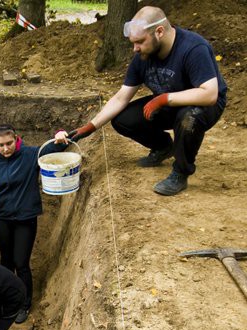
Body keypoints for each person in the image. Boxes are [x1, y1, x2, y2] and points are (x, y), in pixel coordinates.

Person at [56, 6, 227, 196]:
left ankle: (180, 172)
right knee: (123, 119)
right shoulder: (143, 56)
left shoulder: (193, 48)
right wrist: (87, 128)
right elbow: (121, 97)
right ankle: (163, 146)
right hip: (169, 103)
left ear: (159, 32)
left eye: (139, 42)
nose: (135, 48)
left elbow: (209, 94)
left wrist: (163, 98)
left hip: (204, 106)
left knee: (188, 117)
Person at [0, 124, 68, 324]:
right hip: (3, 217)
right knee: (6, 262)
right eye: (1, 145)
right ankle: (7, 298)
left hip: (25, 218)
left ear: (16, 139)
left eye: (9, 143)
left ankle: (24, 304)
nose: (5, 148)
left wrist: (60, 137)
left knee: (21, 263)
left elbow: (53, 148)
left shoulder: (31, 155)